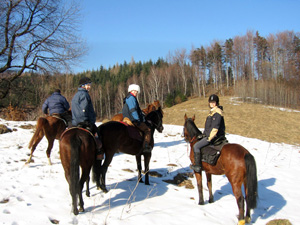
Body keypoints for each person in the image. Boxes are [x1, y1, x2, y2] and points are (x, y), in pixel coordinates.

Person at [190, 94, 226, 172]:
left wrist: (209, 138)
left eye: (214, 102)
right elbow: (209, 127)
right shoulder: (212, 112)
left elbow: (215, 128)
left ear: (217, 103)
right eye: (211, 102)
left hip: (214, 136)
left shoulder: (217, 113)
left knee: (196, 146)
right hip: (209, 135)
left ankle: (197, 165)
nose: (212, 103)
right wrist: (204, 134)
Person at [71, 77, 103, 160]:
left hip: (75, 121)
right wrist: (86, 121)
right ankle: (98, 153)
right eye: (88, 85)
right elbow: (84, 109)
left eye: (90, 85)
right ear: (83, 86)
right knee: (97, 136)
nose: (89, 87)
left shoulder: (76, 95)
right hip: (83, 121)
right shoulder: (85, 95)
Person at [122, 84, 152, 153]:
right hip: (132, 119)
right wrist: (138, 120)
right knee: (148, 129)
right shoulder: (131, 98)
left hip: (128, 118)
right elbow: (133, 110)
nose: (136, 92)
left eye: (136, 91)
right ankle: (146, 147)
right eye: (134, 90)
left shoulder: (128, 98)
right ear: (131, 90)